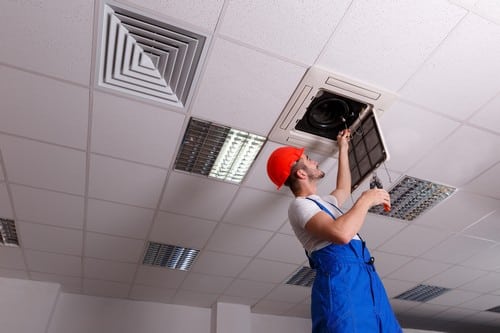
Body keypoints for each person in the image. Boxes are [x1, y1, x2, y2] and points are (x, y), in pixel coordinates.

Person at [266, 129, 402, 333]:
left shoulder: (324, 203)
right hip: (343, 280)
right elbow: (341, 234)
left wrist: (343, 148)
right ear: (301, 173)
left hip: (365, 276)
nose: (314, 161)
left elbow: (344, 188)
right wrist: (365, 200)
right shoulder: (300, 205)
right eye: (308, 159)